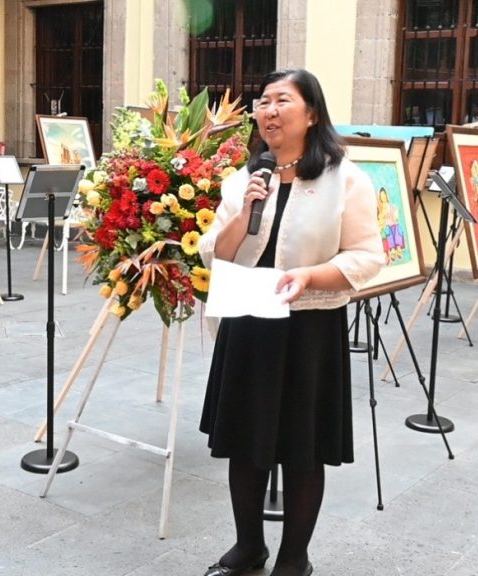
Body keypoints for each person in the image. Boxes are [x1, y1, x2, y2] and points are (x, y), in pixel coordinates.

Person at [197, 69, 385, 576]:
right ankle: (248, 547)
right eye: (262, 102)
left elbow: (369, 257)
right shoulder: (242, 179)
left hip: (308, 330)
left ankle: (294, 558)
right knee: (244, 442)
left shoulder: (345, 178)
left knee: (303, 450)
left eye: (282, 100)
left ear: (312, 114)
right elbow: (216, 254)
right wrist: (244, 212)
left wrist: (310, 276)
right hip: (248, 324)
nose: (268, 110)